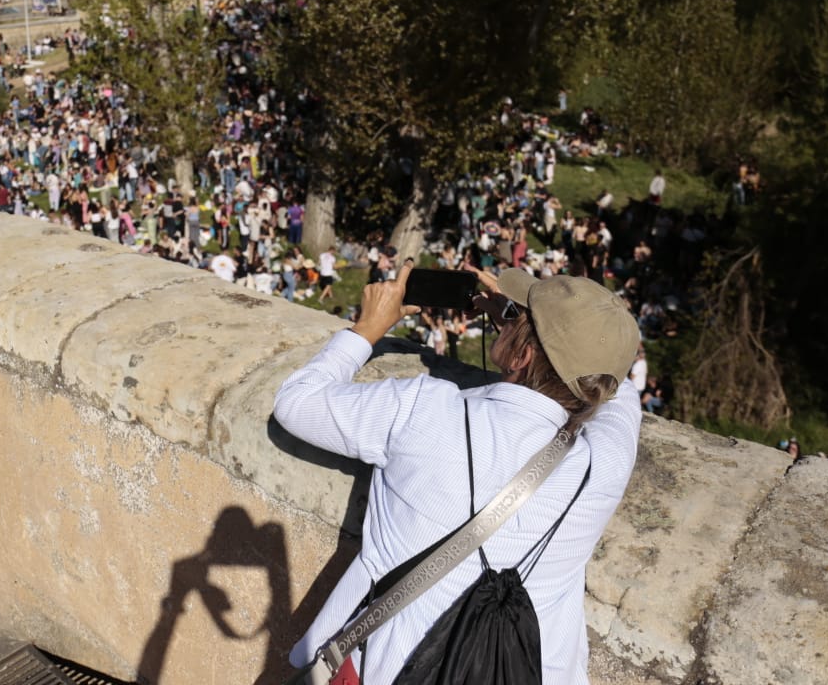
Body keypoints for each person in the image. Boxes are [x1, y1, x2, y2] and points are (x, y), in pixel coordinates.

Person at [274, 262, 641, 684]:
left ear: (521, 355)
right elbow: (617, 391)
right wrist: (534, 332)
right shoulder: (603, 465)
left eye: (519, 320)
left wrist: (367, 328)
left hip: (385, 667)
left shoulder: (425, 409)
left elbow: (296, 403)